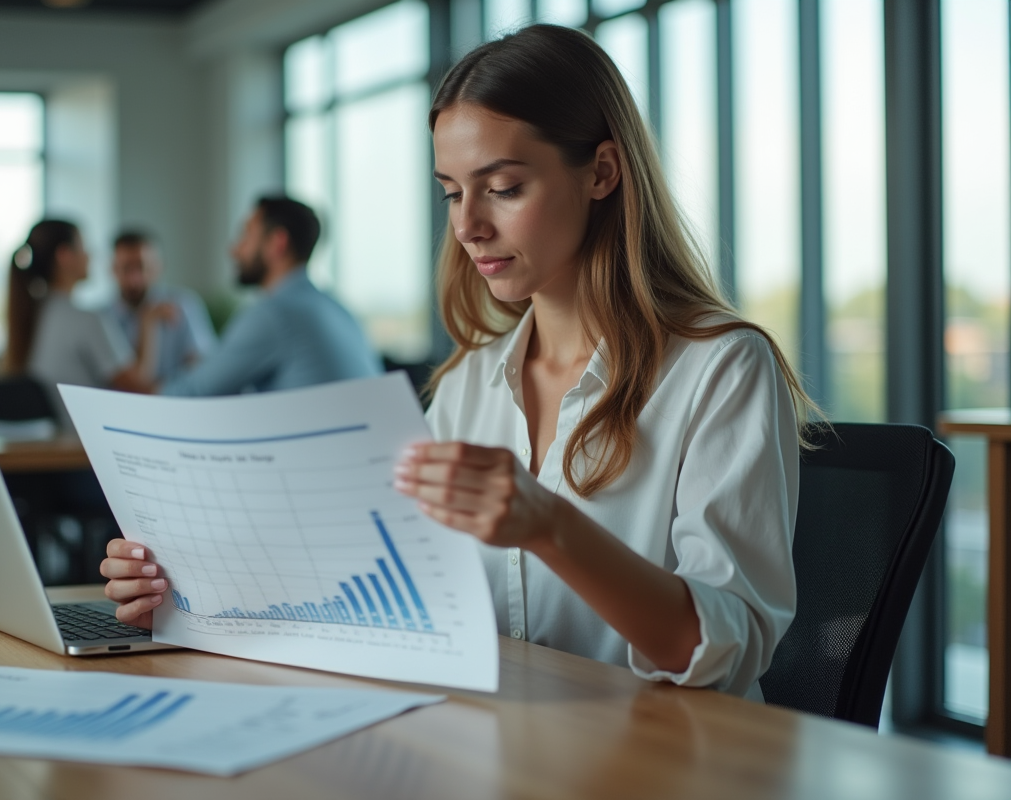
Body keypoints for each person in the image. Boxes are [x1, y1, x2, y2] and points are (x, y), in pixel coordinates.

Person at [98, 25, 807, 701]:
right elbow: (384, 587)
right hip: (505, 745)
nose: (468, 225)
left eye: (502, 187)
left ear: (602, 171)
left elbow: (724, 649)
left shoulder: (722, 368)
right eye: (451, 192)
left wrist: (551, 527)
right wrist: (183, 592)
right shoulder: (471, 383)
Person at [160, 196, 381, 397]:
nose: (234, 249)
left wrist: (141, 388)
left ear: (278, 242)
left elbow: (190, 393)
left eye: (246, 234)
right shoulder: (340, 309)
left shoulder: (274, 313)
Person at [0, 220, 163, 423]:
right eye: (84, 247)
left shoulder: (34, 313)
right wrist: (147, 321)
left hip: (55, 440)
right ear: (65, 256)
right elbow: (141, 387)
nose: (90, 255)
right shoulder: (87, 320)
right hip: (81, 445)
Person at [100, 230, 217, 385]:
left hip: (176, 402)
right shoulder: (102, 317)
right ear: (113, 269)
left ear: (158, 267)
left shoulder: (184, 304)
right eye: (126, 268)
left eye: (141, 267)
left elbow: (202, 364)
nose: (134, 279)